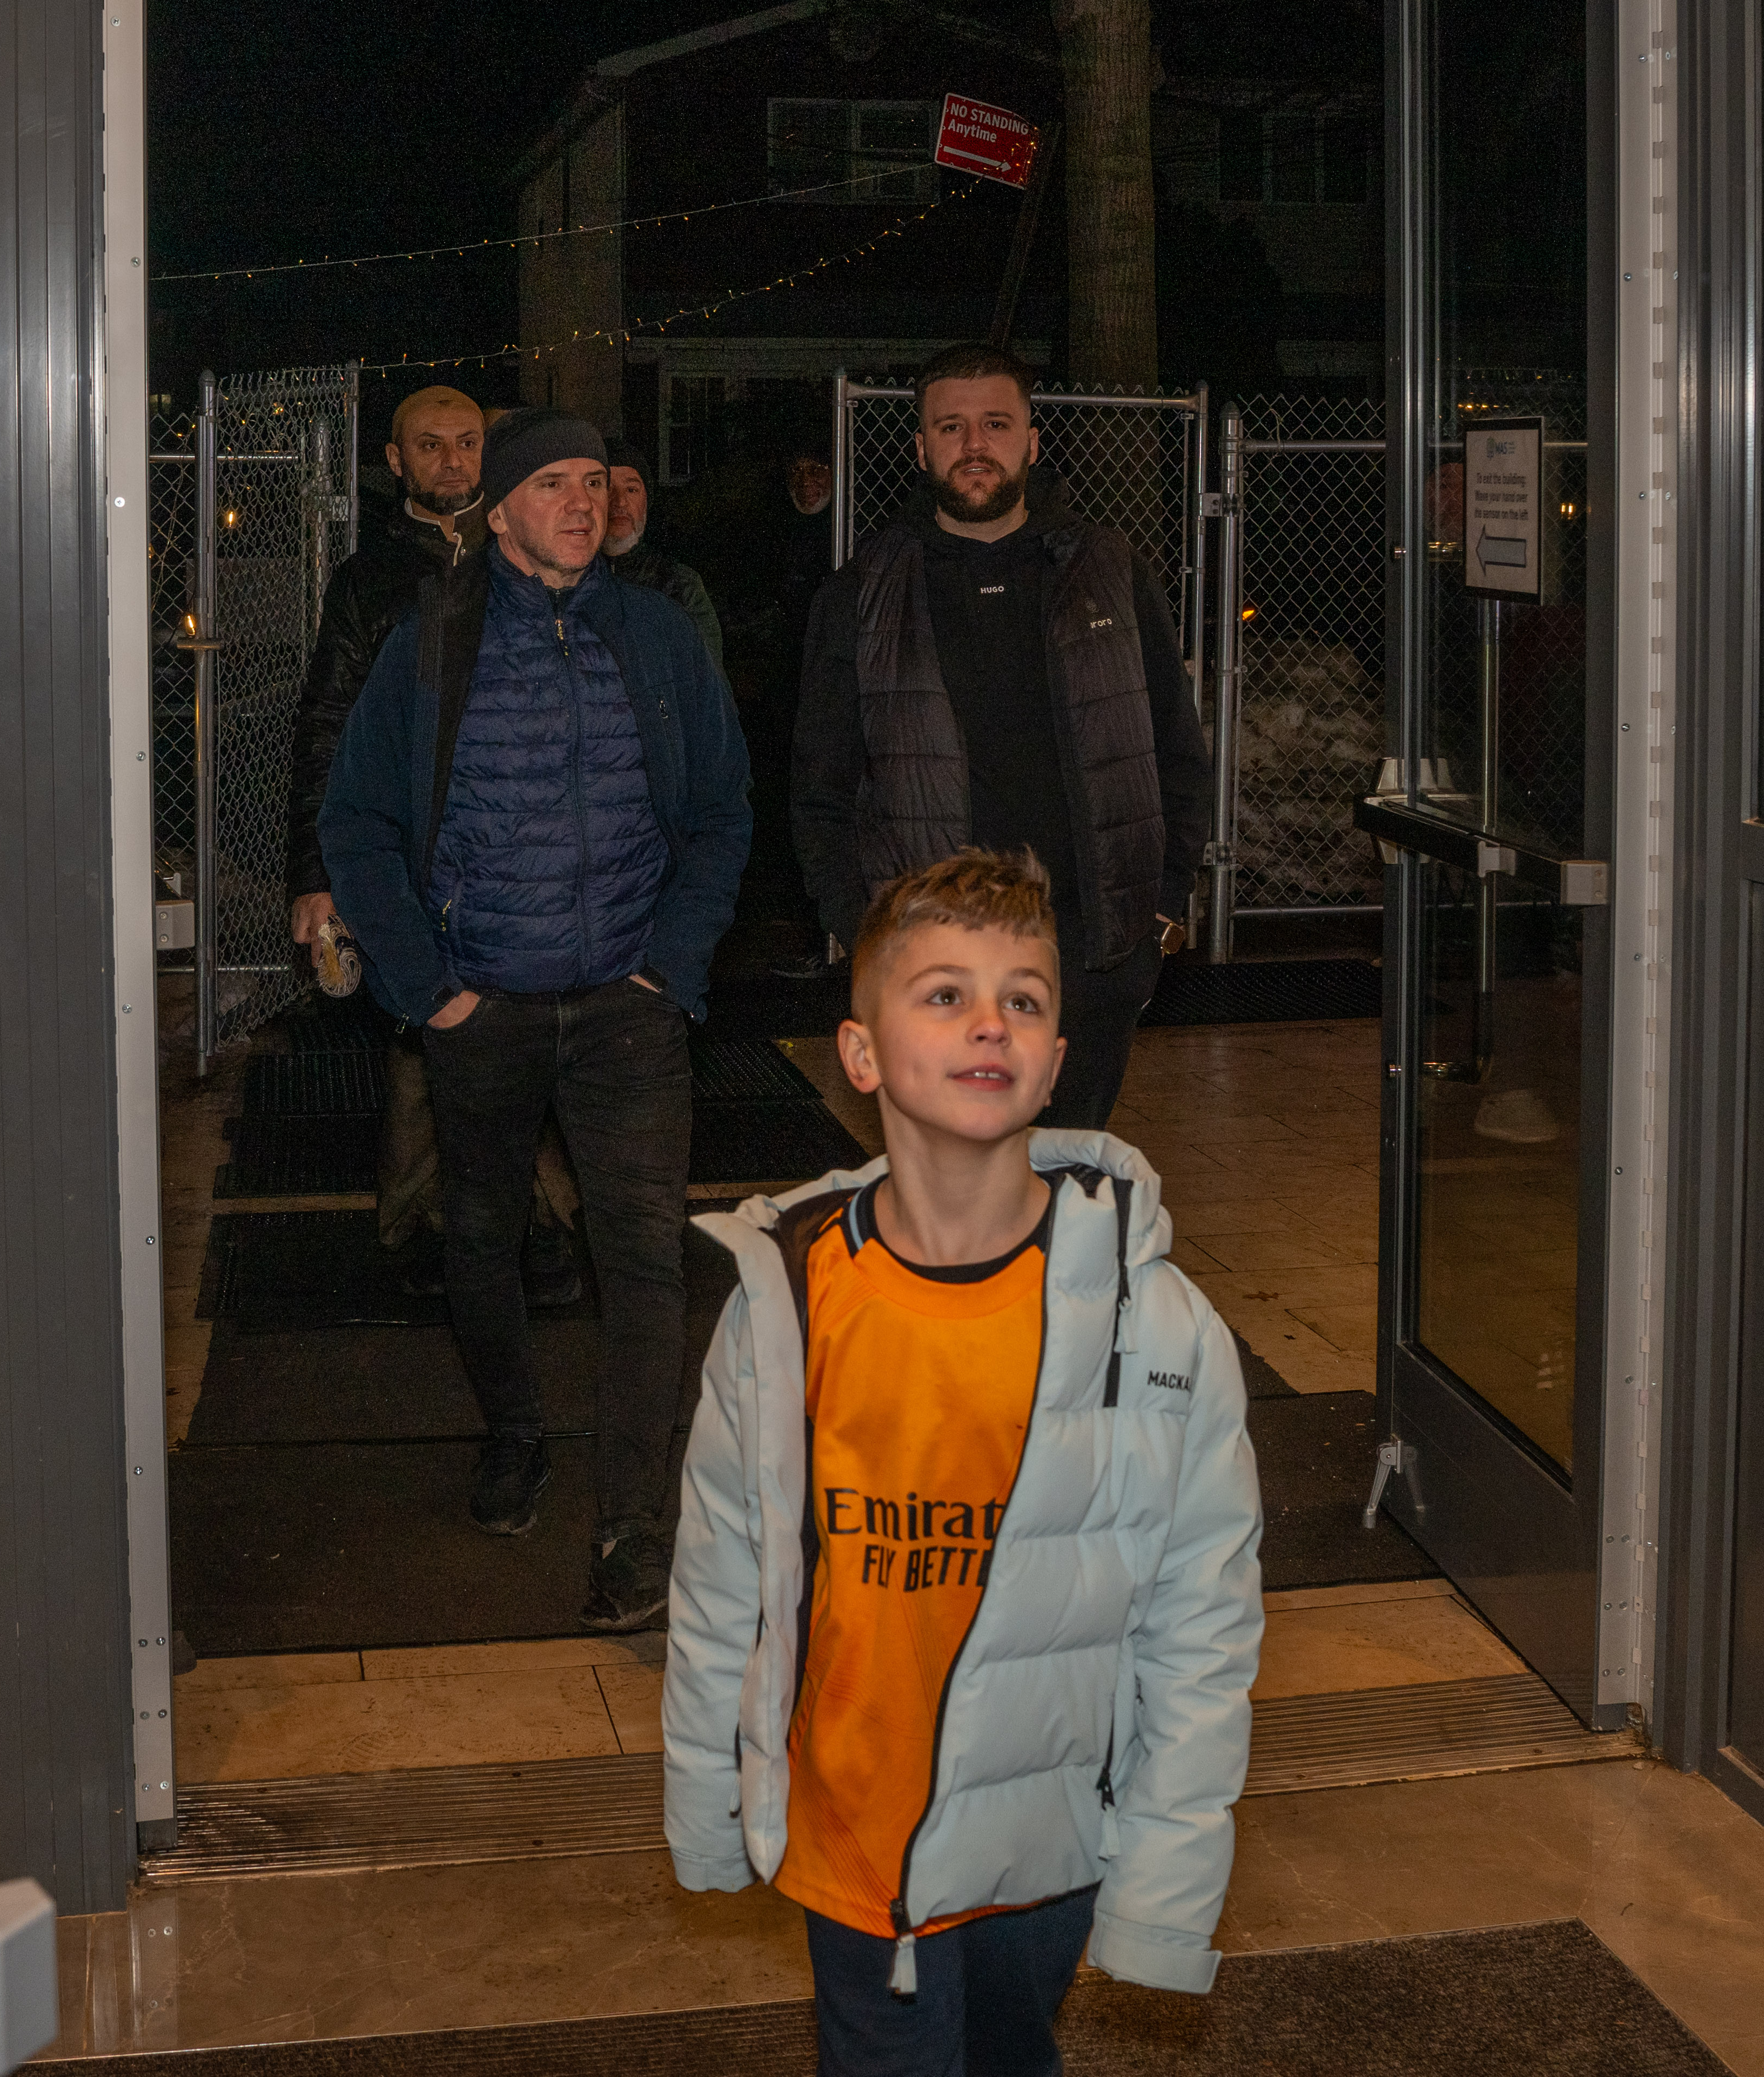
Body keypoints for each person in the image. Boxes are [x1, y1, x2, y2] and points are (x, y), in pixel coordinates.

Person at [663, 846, 1263, 2074]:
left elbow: (1199, 1629)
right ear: (862, 1052)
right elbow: (721, 1578)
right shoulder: (784, 1302)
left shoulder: (1152, 1329)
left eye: (1023, 1000)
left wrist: (1158, 1886)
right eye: (942, 992)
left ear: (1052, 1057)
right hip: (850, 1844)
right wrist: (707, 1806)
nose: (988, 1022)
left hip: (1046, 1843)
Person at [319, 408, 752, 1630]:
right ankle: (512, 1431)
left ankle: (635, 1523)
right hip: (484, 1003)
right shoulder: (432, 642)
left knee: (642, 1254)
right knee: (478, 1232)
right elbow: (354, 820)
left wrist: (669, 965)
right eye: (551, 483)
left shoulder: (658, 638)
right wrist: (427, 988)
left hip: (627, 1007)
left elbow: (722, 808)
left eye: (594, 479)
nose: (583, 500)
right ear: (497, 511)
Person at [790, 342, 1211, 1128]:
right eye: (950, 428)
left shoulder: (1109, 570)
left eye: (994, 424)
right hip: (932, 965)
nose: (973, 445)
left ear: (1031, 439)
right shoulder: (862, 592)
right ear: (920, 448)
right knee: (956, 1206)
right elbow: (820, 792)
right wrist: (864, 936)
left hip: (1089, 957)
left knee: (1066, 1197)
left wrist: (1157, 916)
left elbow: (1176, 752)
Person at [285, 384, 578, 1298]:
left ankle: (543, 1225)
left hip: (521, 844)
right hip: (410, 849)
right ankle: (417, 1231)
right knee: (424, 1036)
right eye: (431, 446)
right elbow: (326, 723)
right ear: (395, 462)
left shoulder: (531, 555)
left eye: (466, 442)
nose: (454, 461)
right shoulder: (369, 582)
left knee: (530, 1032)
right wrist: (315, 874)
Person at [602, 438, 723, 670]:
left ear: (646, 501)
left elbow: (710, 685)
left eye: (631, 489)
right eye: (607, 488)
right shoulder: (566, 583)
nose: (620, 501)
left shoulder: (680, 585)